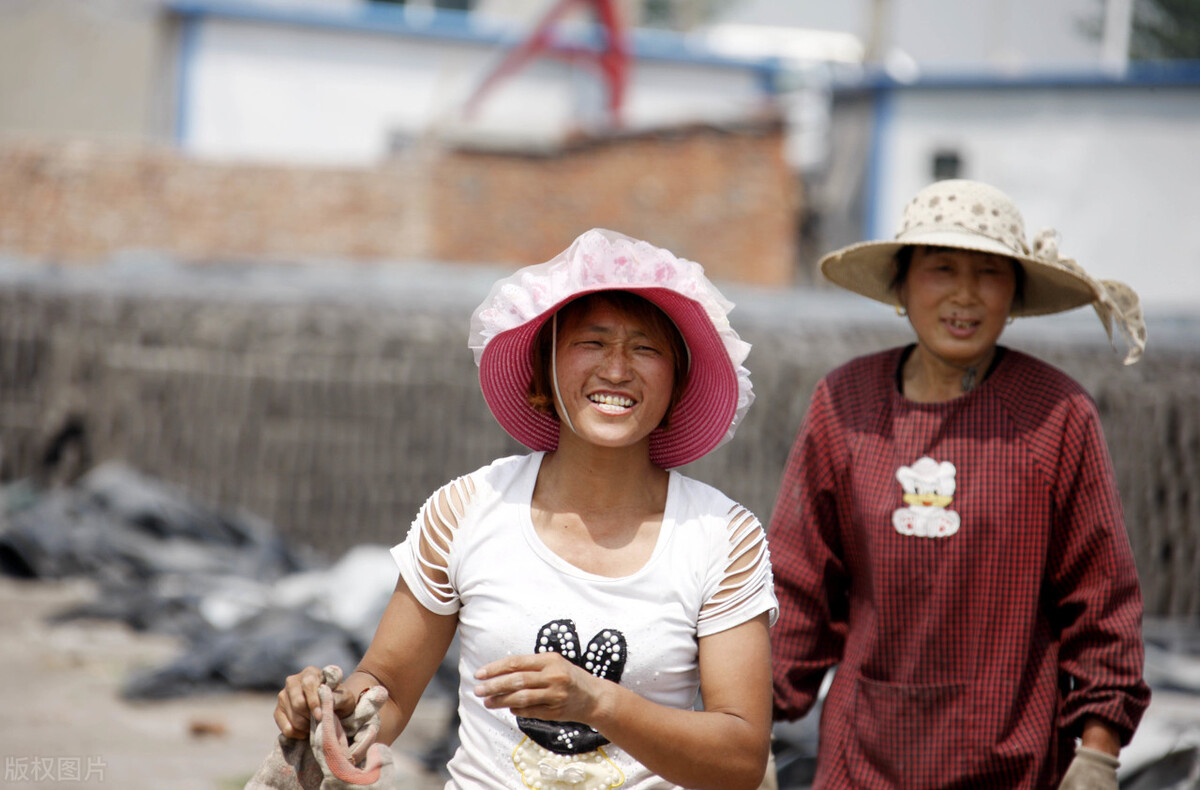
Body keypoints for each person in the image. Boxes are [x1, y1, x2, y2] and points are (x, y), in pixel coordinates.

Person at [273, 228, 777, 790]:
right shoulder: (468, 509)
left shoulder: (721, 537)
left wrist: (597, 702)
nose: (616, 370)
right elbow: (386, 685)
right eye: (593, 343)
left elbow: (740, 759)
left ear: (677, 384)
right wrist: (328, 707)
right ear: (544, 370)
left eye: (646, 348)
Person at [768, 179, 1150, 789]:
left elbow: (1102, 597)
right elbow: (798, 584)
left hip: (1010, 761)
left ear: (1015, 292)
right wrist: (755, 728)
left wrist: (1098, 749)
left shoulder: (1056, 414)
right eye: (941, 268)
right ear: (901, 284)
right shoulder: (845, 402)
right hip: (860, 759)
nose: (964, 295)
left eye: (989, 274)